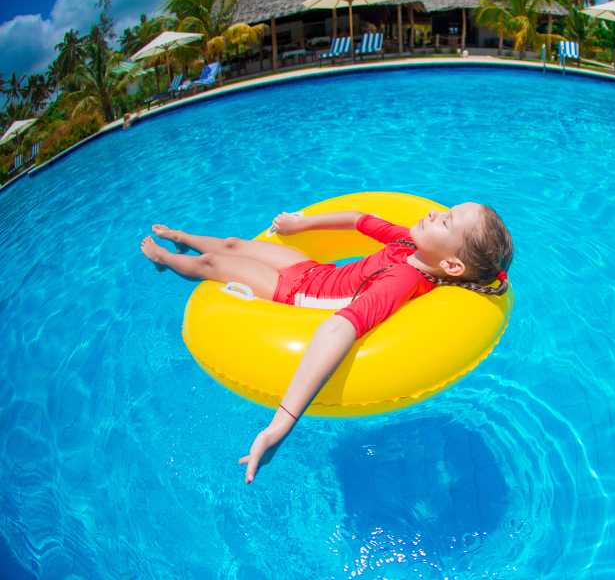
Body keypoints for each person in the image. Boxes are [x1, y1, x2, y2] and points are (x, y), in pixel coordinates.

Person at [140, 203, 514, 483]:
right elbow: (358, 220)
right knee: (234, 245)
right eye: (444, 211)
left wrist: (281, 424)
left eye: (446, 221)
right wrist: (299, 224)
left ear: (451, 267)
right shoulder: (408, 243)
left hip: (292, 294)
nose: (434, 214)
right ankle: (183, 238)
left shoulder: (401, 280)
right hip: (314, 273)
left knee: (211, 265)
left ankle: (167, 260)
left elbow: (340, 329)